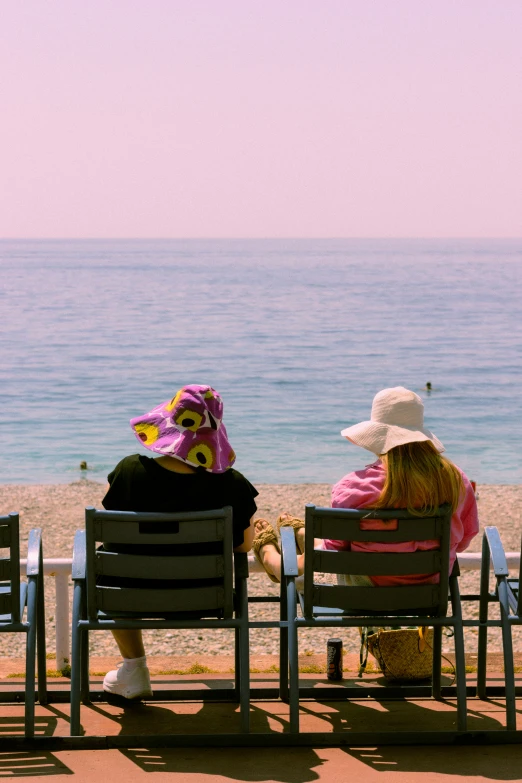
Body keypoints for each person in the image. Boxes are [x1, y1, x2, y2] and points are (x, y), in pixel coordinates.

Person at [101, 384, 258, 700]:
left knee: (105, 562)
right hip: (204, 597)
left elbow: (109, 533)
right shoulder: (231, 484)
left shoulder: (129, 471)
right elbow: (242, 547)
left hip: (128, 595)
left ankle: (134, 668)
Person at [253, 386, 478, 588]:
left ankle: (269, 553)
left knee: (298, 566)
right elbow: (463, 541)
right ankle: (302, 534)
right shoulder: (455, 480)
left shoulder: (354, 487)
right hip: (430, 587)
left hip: (365, 587)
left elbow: (337, 549)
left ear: (377, 435)